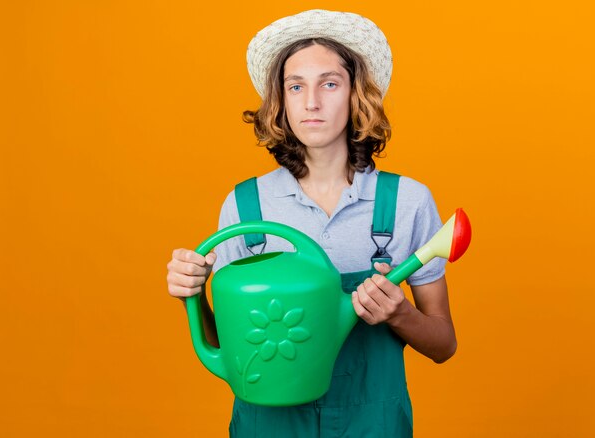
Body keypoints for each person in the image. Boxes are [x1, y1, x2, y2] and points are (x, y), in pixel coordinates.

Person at [167, 9, 457, 437]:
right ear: (281, 101)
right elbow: (229, 345)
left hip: (372, 422)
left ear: (355, 95)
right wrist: (193, 297)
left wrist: (399, 314)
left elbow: (443, 344)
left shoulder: (407, 202)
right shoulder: (247, 206)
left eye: (330, 83)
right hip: (269, 423)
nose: (312, 102)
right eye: (296, 86)